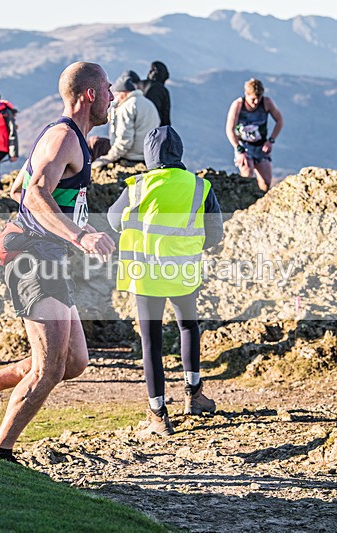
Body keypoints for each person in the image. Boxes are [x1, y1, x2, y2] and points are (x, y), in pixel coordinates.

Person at [0, 62, 117, 463]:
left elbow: (16, 185)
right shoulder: (64, 137)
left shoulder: (66, 137)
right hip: (32, 258)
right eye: (108, 90)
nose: (113, 97)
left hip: (49, 257)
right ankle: (0, 454)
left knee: (73, 361)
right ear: (91, 94)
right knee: (48, 368)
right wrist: (80, 234)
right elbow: (35, 194)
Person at [107, 126, 224, 436]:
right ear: (179, 153)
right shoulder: (200, 186)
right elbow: (215, 234)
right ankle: (193, 395)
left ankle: (159, 413)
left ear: (148, 156)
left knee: (151, 343)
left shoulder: (137, 187)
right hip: (184, 272)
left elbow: (113, 220)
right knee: (188, 327)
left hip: (145, 276)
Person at [226, 78, 284, 192]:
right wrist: (238, 149)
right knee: (247, 175)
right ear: (246, 95)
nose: (256, 102)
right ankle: (246, 203)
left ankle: (261, 203)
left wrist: (271, 140)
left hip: (260, 146)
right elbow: (229, 129)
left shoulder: (266, 103)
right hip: (243, 146)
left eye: (259, 98)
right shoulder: (238, 105)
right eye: (253, 99)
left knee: (266, 181)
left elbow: (279, 121)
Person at [91, 75, 159, 170]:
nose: (115, 98)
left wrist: (107, 159)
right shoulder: (148, 103)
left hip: (132, 155)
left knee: (93, 142)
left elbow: (125, 140)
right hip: (146, 154)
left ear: (124, 93)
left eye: (117, 94)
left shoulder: (126, 107)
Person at [136, 61, 172, 127]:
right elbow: (165, 115)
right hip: (154, 128)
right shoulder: (162, 90)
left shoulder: (138, 85)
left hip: (137, 125)